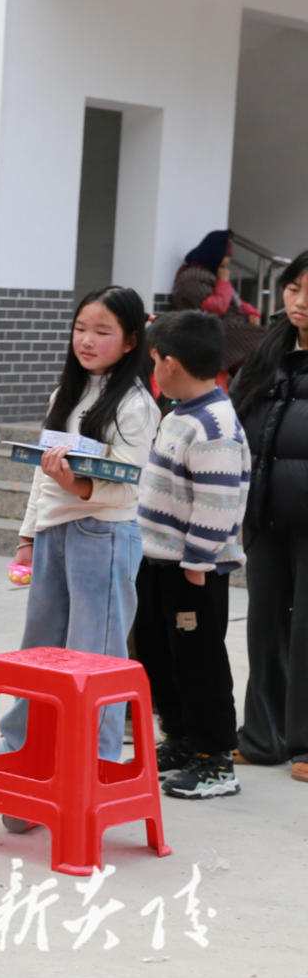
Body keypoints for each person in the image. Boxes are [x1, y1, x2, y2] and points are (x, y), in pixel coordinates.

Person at [0, 285, 158, 819]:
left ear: (130, 339)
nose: (86, 340)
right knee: (38, 657)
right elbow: (44, 479)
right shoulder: (67, 391)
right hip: (53, 536)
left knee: (97, 665)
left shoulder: (136, 404)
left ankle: (91, 788)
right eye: (80, 328)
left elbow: (128, 485)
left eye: (102, 331)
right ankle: (22, 772)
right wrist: (28, 534)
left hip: (104, 537)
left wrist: (82, 488)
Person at [136, 311, 249, 800]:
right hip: (161, 560)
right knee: (161, 654)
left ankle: (216, 757)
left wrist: (199, 562)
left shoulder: (213, 424)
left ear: (172, 363)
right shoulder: (180, 412)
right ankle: (180, 739)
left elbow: (218, 501)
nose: (152, 369)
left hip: (193, 569)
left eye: (154, 360)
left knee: (198, 661)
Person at [228, 250, 308, 784]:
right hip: (264, 513)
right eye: (294, 288)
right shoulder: (268, 351)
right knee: (264, 626)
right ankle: (262, 736)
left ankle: (304, 742)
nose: (300, 302)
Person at [173, 230, 263, 379]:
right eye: (225, 256)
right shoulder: (191, 276)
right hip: (207, 330)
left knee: (266, 342)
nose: (227, 261)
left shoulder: (213, 274)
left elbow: (235, 301)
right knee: (265, 341)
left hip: (227, 327)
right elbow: (216, 307)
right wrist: (223, 282)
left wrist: (252, 313)